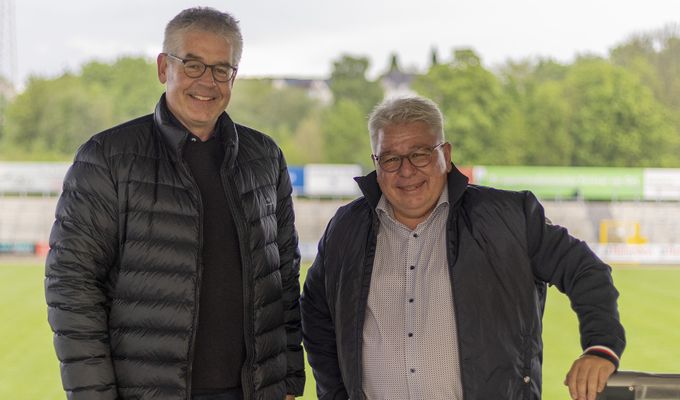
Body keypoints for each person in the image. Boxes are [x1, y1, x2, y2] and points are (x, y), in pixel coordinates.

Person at [45, 7, 304, 400]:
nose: (208, 82)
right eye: (194, 65)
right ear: (164, 67)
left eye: (222, 69)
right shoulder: (107, 157)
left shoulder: (264, 157)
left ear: (234, 75)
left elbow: (283, 279)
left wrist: (287, 383)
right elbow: (72, 287)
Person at [300, 96, 625, 400]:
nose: (406, 170)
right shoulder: (346, 228)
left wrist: (601, 346)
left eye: (420, 154)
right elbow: (316, 315)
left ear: (446, 154)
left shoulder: (510, 217)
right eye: (391, 158)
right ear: (376, 162)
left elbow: (585, 270)